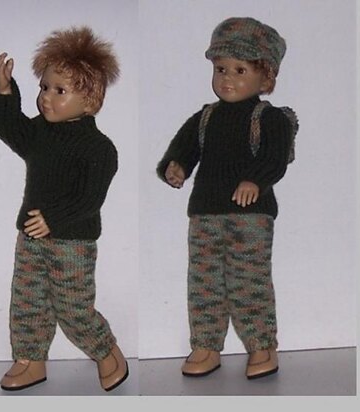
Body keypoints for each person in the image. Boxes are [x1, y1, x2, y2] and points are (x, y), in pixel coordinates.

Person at [0, 26, 128, 392]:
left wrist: (54, 219)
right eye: (44, 87)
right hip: (31, 239)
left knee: (73, 308)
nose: (46, 98)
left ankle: (107, 352)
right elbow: (9, 126)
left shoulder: (99, 148)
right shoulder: (40, 133)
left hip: (72, 244)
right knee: (27, 303)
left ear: (90, 98)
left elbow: (89, 199)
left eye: (59, 91)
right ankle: (30, 360)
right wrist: (3, 90)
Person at [156, 17, 295, 379]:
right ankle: (206, 344)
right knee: (204, 283)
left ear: (265, 78)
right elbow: (184, 147)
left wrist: (255, 180)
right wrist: (175, 166)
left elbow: (275, 159)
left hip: (251, 217)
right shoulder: (205, 117)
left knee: (249, 282)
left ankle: (261, 345)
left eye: (240, 70)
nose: (227, 78)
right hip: (205, 215)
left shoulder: (270, 118)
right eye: (220, 69)